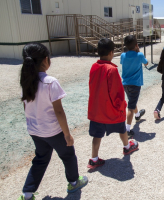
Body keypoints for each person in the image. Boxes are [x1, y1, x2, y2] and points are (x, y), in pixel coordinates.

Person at [18, 43, 88, 200]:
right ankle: (74, 182)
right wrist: (67, 134)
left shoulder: (26, 82)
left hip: (35, 131)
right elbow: (58, 112)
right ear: (45, 60)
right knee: (68, 155)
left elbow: (26, 107)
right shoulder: (50, 82)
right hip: (53, 131)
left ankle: (27, 193)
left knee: (40, 159)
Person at [87, 39, 139, 169]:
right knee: (121, 128)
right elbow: (117, 92)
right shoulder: (112, 70)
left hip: (97, 110)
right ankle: (127, 147)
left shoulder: (94, 67)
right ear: (111, 52)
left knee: (96, 135)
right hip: (111, 109)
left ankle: (94, 159)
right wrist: (121, 106)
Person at [120, 35, 148, 137]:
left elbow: (123, 63)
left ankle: (137, 115)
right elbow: (146, 63)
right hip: (135, 84)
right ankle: (127, 130)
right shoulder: (139, 55)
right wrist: (138, 51)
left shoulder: (123, 55)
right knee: (130, 108)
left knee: (132, 101)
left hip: (125, 84)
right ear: (136, 45)